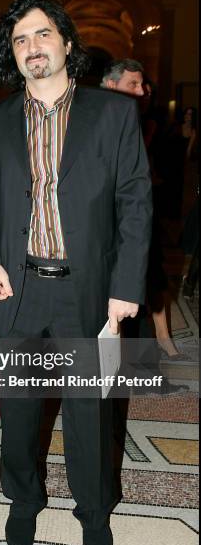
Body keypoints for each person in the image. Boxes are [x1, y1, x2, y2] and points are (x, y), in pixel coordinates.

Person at [0, 0, 152, 545]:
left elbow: (135, 204)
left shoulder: (113, 114)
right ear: (14, 54)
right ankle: (23, 501)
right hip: (17, 292)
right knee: (20, 411)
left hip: (90, 292)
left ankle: (94, 512)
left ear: (66, 43)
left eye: (42, 34)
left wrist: (126, 286)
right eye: (21, 40)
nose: (33, 47)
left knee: (90, 414)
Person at [104, 62, 190, 364]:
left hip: (137, 214)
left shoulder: (144, 122)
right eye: (134, 84)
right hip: (104, 220)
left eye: (144, 86)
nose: (142, 91)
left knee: (150, 278)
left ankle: (154, 348)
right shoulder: (94, 120)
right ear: (111, 85)